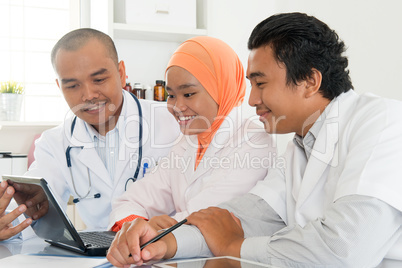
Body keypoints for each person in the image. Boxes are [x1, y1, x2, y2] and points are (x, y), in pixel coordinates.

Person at [106, 12, 402, 267]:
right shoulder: (300, 147)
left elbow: (345, 249)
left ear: (310, 81)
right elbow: (244, 216)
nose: (251, 99)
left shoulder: (383, 122)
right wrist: (165, 242)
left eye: (260, 84)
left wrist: (234, 247)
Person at [16, 28, 181, 231]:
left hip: (166, 252)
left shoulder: (174, 122)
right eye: (73, 86)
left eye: (99, 80)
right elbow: (32, 205)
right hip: (97, 258)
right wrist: (12, 218)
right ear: (60, 87)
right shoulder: (54, 143)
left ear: (121, 73)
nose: (88, 95)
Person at [107, 36, 274, 234]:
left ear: (221, 89)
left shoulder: (254, 141)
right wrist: (135, 226)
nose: (177, 106)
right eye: (171, 95)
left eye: (188, 94)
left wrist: (149, 231)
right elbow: (130, 201)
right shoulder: (187, 142)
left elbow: (203, 215)